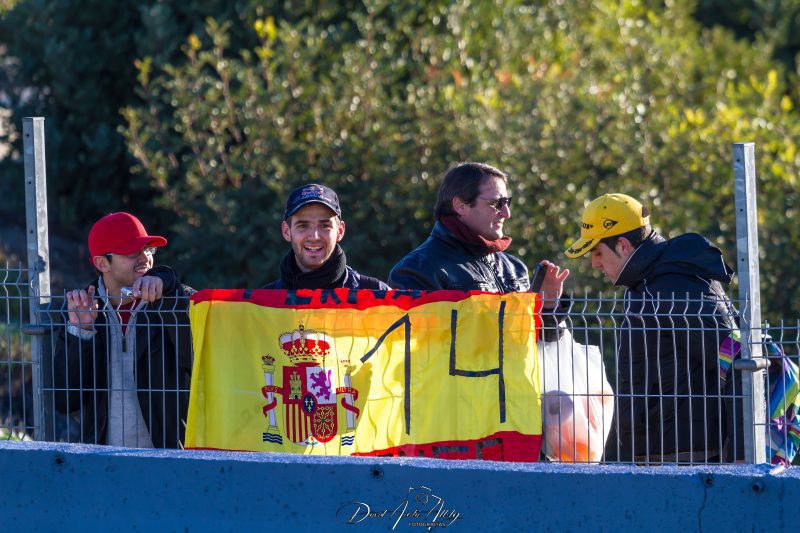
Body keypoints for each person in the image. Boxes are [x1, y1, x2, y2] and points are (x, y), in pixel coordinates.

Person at [565, 193, 739, 462]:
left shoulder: (673, 286)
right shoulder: (646, 285)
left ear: (622, 245)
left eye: (597, 252)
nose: (594, 263)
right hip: (665, 454)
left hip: (691, 459)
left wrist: (740, 456)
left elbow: (736, 361)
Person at [54, 212, 193, 448]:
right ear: (102, 263)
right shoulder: (81, 309)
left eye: (148, 249)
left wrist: (170, 291)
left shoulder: (176, 300)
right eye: (131, 252)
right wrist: (81, 333)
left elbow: (197, 362)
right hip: (104, 459)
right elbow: (65, 401)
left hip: (170, 458)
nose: (145, 258)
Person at [388, 162, 569, 338]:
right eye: (496, 203)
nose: (506, 213)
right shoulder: (416, 270)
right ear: (461, 206)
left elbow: (539, 341)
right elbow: (420, 347)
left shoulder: (515, 267)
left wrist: (548, 305)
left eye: (508, 202)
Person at [263, 183, 390, 290]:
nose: (314, 237)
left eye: (324, 226)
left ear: (340, 231)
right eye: (303, 226)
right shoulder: (261, 303)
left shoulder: (379, 295)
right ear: (286, 231)